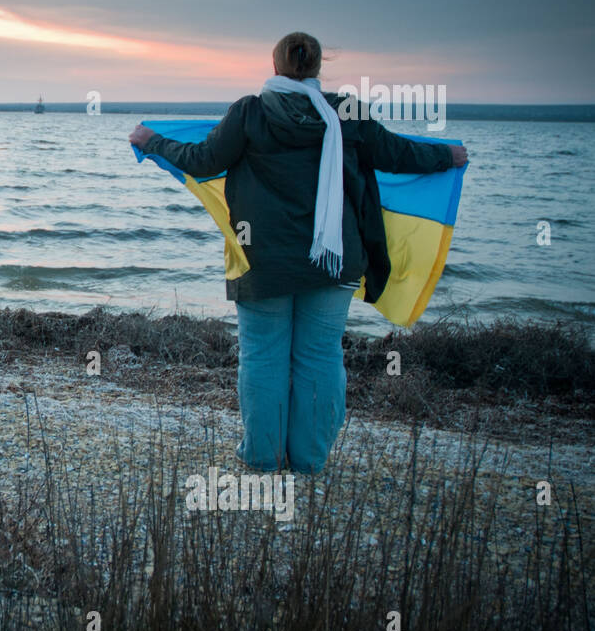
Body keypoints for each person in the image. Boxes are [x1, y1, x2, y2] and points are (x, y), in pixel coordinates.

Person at [128, 32, 468, 474]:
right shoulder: (344, 111)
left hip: (263, 260)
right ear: (318, 68)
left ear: (274, 68)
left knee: (263, 356)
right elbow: (396, 154)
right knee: (321, 355)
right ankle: (308, 461)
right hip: (334, 259)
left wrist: (151, 140)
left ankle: (263, 458)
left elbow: (202, 159)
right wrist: (446, 155)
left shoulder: (250, 112)